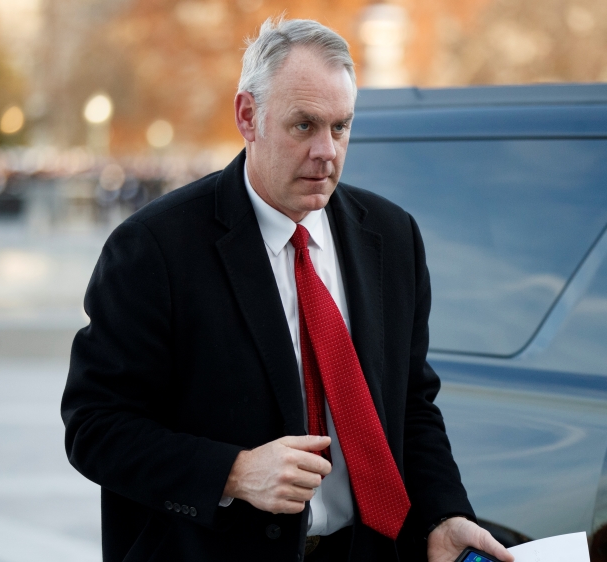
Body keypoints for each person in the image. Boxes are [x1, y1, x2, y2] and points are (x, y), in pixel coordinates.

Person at [62, 18, 514, 562]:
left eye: (341, 127)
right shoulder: (154, 248)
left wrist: (444, 514)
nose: (327, 152)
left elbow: (411, 407)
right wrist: (233, 473)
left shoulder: (393, 237)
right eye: (305, 126)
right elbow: (95, 427)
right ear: (248, 117)